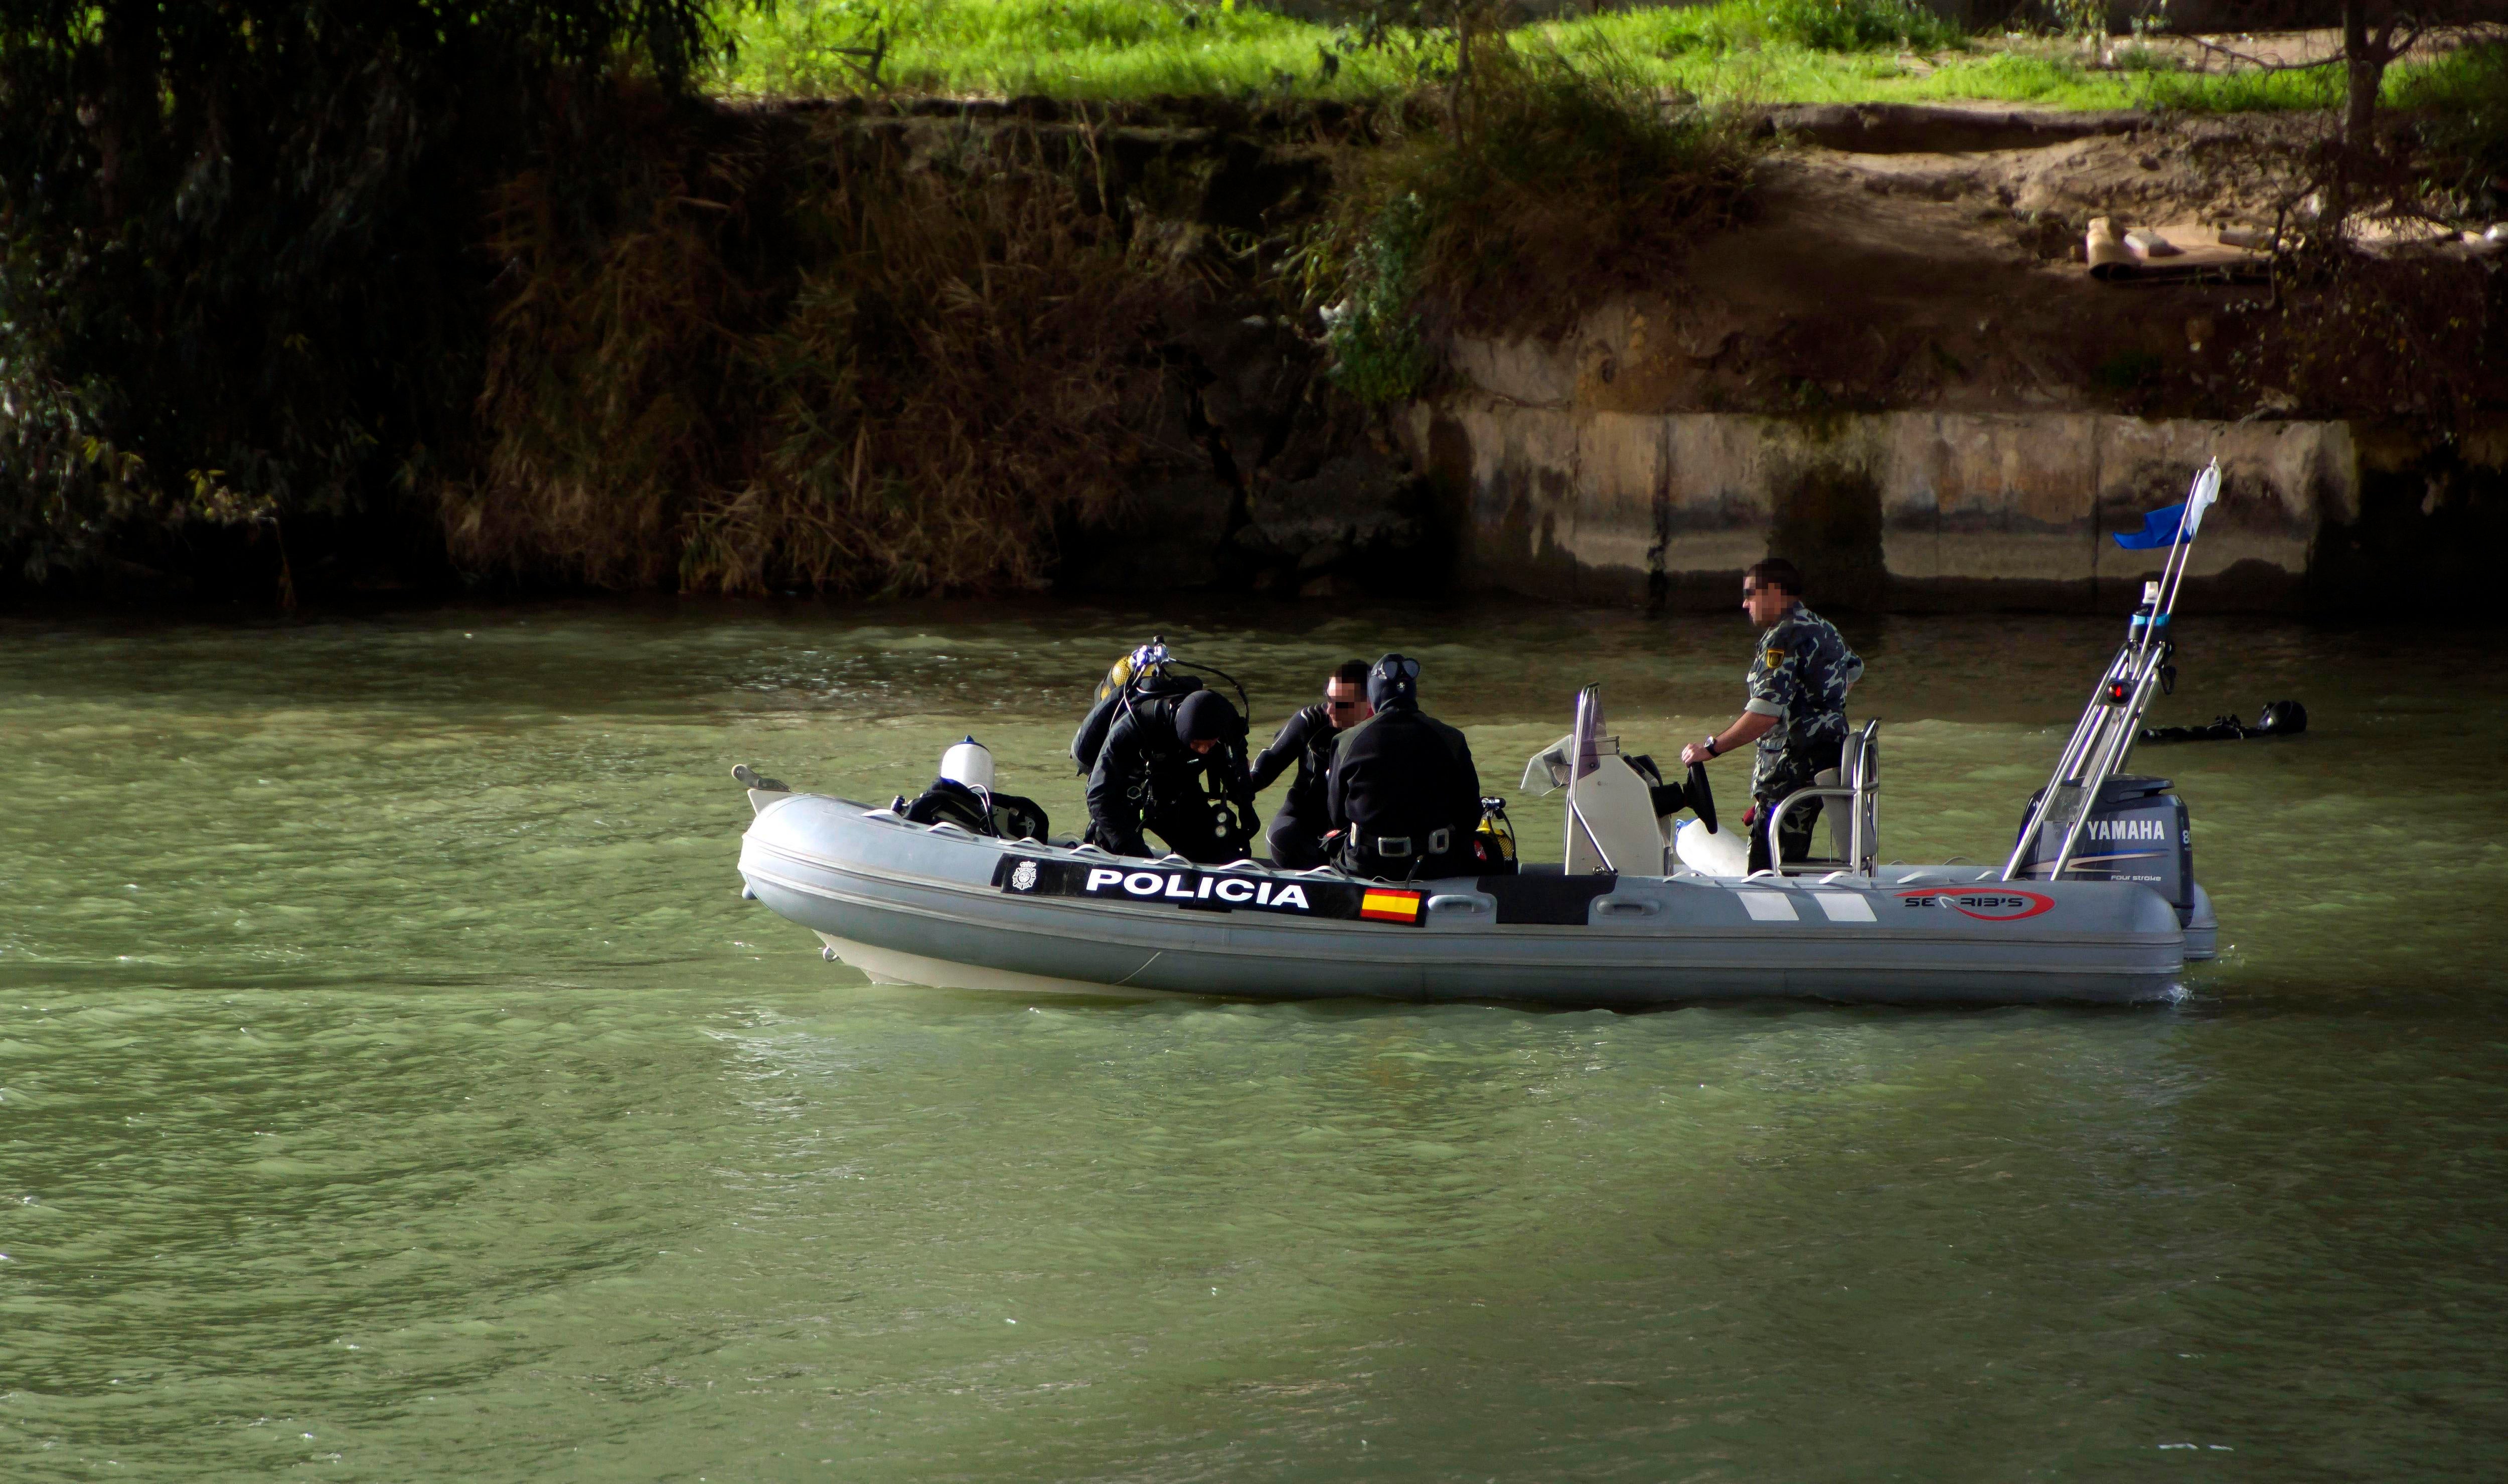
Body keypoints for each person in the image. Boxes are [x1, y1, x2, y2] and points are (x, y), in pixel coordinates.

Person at [1681, 558, 1863, 873]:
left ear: (1776, 592)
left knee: (1767, 872)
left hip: (1791, 771)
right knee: (1790, 859)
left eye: (1751, 593)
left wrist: (1710, 748)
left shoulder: (1782, 637)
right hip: (1826, 763)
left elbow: (1764, 714)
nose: (1744, 603)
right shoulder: (1823, 627)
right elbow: (1854, 669)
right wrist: (1819, 706)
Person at [1326, 653, 1481, 880]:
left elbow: (1336, 817)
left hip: (1367, 866)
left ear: (1374, 695)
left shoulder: (1346, 742)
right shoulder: (1452, 739)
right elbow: (1470, 817)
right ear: (1413, 693)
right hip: (1435, 866)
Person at [1085, 687, 1255, 863]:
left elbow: (1237, 766)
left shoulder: (1223, 723)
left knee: (1226, 853)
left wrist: (1246, 805)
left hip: (1177, 794)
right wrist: (1130, 849)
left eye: (1210, 745)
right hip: (1126, 798)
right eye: (1197, 745)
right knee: (1114, 852)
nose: (1204, 750)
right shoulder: (1131, 729)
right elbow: (1098, 796)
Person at [1248, 659, 1372, 868]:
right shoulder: (1312, 721)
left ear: (1369, 705)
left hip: (1353, 832)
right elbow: (1268, 765)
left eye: (1340, 704)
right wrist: (1240, 782)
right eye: (1329, 698)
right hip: (1304, 822)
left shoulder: (1384, 733)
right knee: (1282, 840)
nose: (1330, 710)